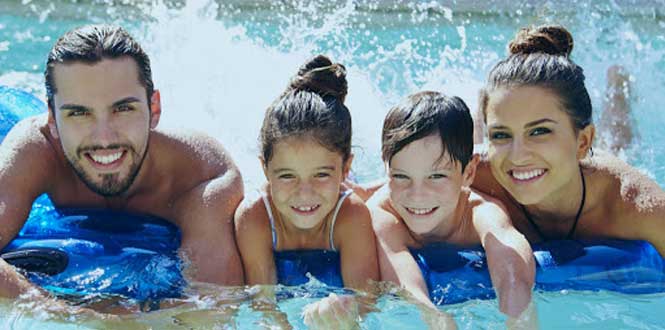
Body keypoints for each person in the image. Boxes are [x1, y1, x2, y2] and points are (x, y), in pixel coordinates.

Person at [0, 25, 244, 300]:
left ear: (154, 109)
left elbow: (214, 304)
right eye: (79, 113)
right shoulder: (36, 149)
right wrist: (67, 315)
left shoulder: (204, 177)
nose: (104, 138)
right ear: (53, 120)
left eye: (123, 109)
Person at [474, 24, 665, 256]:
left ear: (584, 142)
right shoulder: (469, 175)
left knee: (619, 144)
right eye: (500, 134)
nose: (518, 155)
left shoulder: (636, 206)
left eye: (539, 131)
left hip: (600, 168)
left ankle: (617, 86)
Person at [368, 91, 536, 329]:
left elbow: (512, 267)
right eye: (400, 176)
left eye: (436, 176)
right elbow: (399, 271)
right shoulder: (383, 212)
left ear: (468, 174)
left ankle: (480, 110)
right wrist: (435, 318)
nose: (418, 195)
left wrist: (518, 318)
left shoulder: (478, 210)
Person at [234, 55, 379, 328]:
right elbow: (263, 306)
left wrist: (344, 315)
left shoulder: (351, 215)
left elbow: (365, 303)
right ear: (265, 169)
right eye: (287, 176)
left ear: (345, 167)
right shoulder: (255, 217)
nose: (304, 193)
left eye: (321, 174)